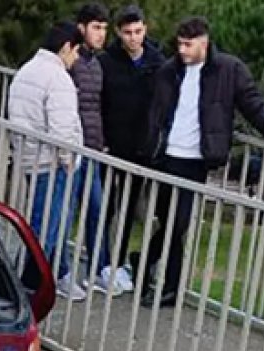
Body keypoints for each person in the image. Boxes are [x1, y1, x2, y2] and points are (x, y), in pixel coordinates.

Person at [137, 16, 264, 307]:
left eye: (188, 45)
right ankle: (165, 283)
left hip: (195, 159)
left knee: (178, 224)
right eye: (179, 44)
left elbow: (253, 104)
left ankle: (152, 269)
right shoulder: (170, 71)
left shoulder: (229, 70)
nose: (181, 50)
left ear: (204, 43)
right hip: (166, 156)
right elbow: (155, 112)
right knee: (169, 221)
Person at [7, 21, 87, 301]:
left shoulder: (27, 70)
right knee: (45, 232)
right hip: (51, 163)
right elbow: (62, 129)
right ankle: (23, 290)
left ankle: (26, 284)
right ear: (67, 47)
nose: (76, 59)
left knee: (42, 225)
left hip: (30, 157)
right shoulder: (58, 78)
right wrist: (69, 160)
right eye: (76, 51)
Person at [99, 5, 165, 293]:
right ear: (119, 33)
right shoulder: (107, 62)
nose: (133, 38)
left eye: (138, 32)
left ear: (145, 30)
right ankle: (100, 259)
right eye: (127, 33)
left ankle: (117, 260)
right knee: (104, 205)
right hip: (111, 143)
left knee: (128, 207)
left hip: (141, 148)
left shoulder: (157, 62)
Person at [70, 3, 127, 296]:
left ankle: (100, 268)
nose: (101, 34)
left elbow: (97, 107)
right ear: (82, 28)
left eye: (105, 28)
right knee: (67, 212)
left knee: (96, 209)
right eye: (96, 27)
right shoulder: (72, 60)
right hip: (71, 147)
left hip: (92, 147)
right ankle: (60, 272)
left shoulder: (96, 62)